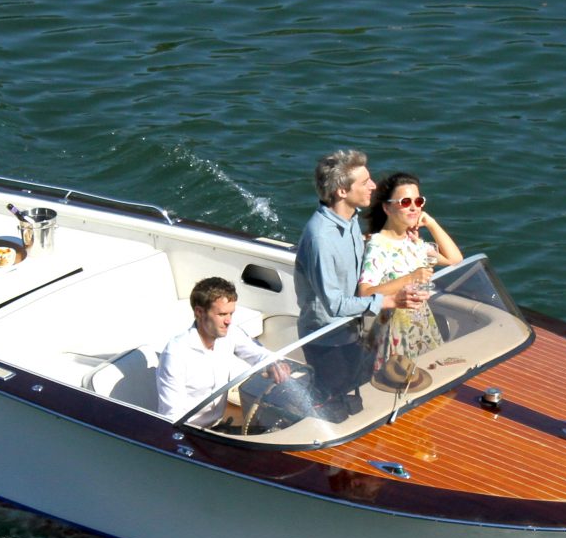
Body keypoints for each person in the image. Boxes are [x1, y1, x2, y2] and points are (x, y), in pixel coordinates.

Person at [294, 149, 420, 410]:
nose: (373, 186)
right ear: (342, 191)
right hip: (327, 339)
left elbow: (361, 259)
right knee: (336, 407)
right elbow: (335, 305)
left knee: (358, 393)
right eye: (365, 182)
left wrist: (397, 239)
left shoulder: (349, 220)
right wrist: (388, 301)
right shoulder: (321, 238)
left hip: (353, 330)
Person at [359, 172, 463, 376]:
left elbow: (454, 259)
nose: (414, 207)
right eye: (405, 202)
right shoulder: (378, 246)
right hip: (396, 336)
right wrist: (410, 278)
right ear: (387, 207)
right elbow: (365, 293)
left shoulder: (412, 241)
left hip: (422, 328)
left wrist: (431, 223)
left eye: (418, 201)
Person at [157, 277, 288, 428]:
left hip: (218, 426)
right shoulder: (175, 354)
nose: (228, 321)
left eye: (231, 314)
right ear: (199, 312)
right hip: (189, 433)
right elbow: (171, 417)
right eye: (222, 314)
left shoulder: (230, 333)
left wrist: (273, 364)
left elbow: (259, 354)